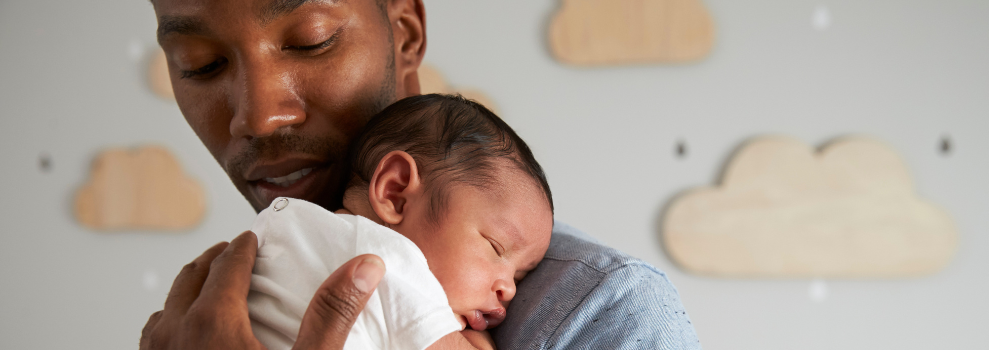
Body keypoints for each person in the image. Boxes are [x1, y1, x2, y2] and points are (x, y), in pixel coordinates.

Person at [140, 0, 702, 349]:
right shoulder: (206, 312)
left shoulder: (603, 314)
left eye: (310, 40)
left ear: (405, 33)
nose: (258, 116)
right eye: (201, 64)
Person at [248, 94, 553, 350]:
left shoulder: (291, 231)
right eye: (495, 246)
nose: (509, 290)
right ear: (396, 193)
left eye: (520, 276)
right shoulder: (388, 260)